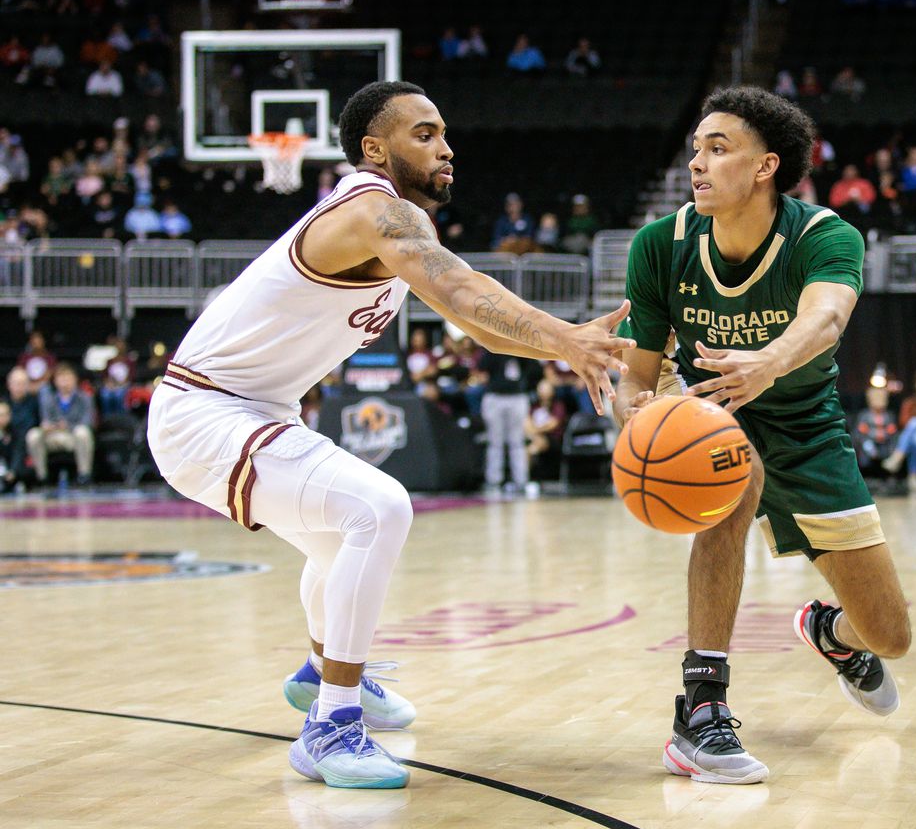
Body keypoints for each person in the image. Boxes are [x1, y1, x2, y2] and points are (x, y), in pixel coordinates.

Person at [146, 81, 633, 790]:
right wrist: (566, 338)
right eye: (425, 133)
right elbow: (466, 292)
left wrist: (567, 345)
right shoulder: (378, 212)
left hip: (258, 408)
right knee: (379, 508)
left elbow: (480, 327)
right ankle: (332, 723)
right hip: (205, 412)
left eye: (444, 133)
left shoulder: (400, 223)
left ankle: (323, 671)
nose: (446, 146)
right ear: (375, 148)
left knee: (338, 537)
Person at [617, 86, 911, 785]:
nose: (697, 163)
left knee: (890, 635)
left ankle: (830, 633)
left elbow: (829, 316)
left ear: (765, 167)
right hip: (713, 415)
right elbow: (637, 373)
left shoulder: (824, 236)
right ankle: (701, 708)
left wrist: (771, 360)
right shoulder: (661, 246)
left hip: (808, 426)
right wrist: (637, 416)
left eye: (718, 149)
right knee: (732, 472)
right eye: (695, 149)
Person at [476, 351, 541, 494]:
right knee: (495, 441)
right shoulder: (492, 344)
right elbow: (481, 367)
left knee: (517, 441)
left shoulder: (520, 345)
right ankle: (493, 481)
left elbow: (535, 368)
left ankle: (521, 481)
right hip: (495, 396)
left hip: (517, 396)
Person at [28, 362, 95, 486]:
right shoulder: (49, 399)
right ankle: (42, 477)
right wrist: (49, 427)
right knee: (33, 435)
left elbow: (88, 422)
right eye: (61, 378)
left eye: (67, 378)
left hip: (72, 436)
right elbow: (46, 420)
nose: (64, 382)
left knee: (83, 432)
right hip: (53, 436)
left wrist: (67, 426)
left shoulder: (84, 398)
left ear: (75, 380)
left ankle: (84, 475)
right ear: (55, 381)